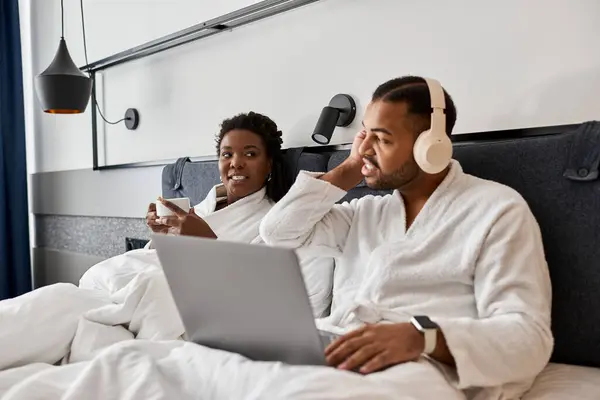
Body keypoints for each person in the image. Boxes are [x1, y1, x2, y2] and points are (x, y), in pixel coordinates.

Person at [259, 76, 553, 399]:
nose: (366, 148)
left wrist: (421, 336)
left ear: (431, 147)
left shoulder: (496, 210)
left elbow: (529, 338)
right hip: (344, 346)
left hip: (422, 366)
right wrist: (352, 167)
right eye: (364, 135)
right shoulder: (368, 212)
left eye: (382, 139)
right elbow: (277, 232)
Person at [140, 111, 333, 317]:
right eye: (227, 154)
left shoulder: (278, 225)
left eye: (250, 154)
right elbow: (150, 263)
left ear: (269, 164)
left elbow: (262, 306)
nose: (236, 163)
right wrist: (161, 236)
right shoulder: (202, 208)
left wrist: (207, 246)